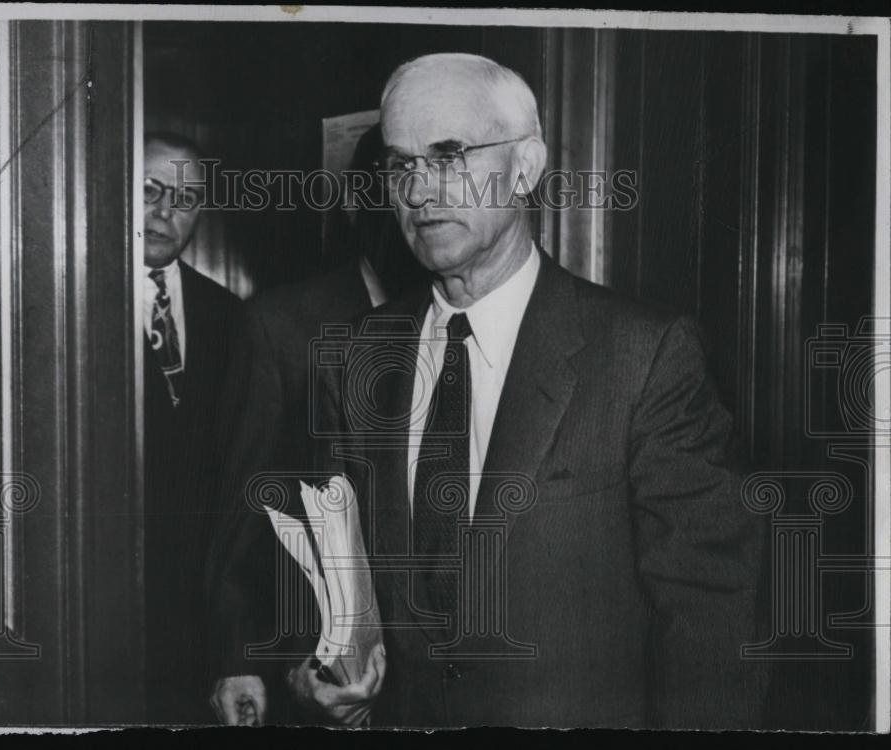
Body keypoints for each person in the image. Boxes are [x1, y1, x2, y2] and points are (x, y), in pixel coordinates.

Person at [289, 53, 768, 729]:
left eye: (449, 155)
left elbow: (712, 619)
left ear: (526, 166)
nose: (419, 191)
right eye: (400, 165)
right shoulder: (357, 355)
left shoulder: (645, 355)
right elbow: (328, 572)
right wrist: (314, 677)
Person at [205, 124, 425, 725]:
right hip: (318, 664)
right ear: (355, 202)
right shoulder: (280, 325)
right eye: (394, 184)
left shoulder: (457, 320)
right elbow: (243, 507)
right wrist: (237, 659)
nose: (414, 207)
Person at [141, 131, 256, 724]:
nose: (165, 211)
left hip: (199, 623)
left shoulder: (230, 316)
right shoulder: (75, 306)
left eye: (184, 199)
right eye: (149, 190)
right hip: (108, 607)